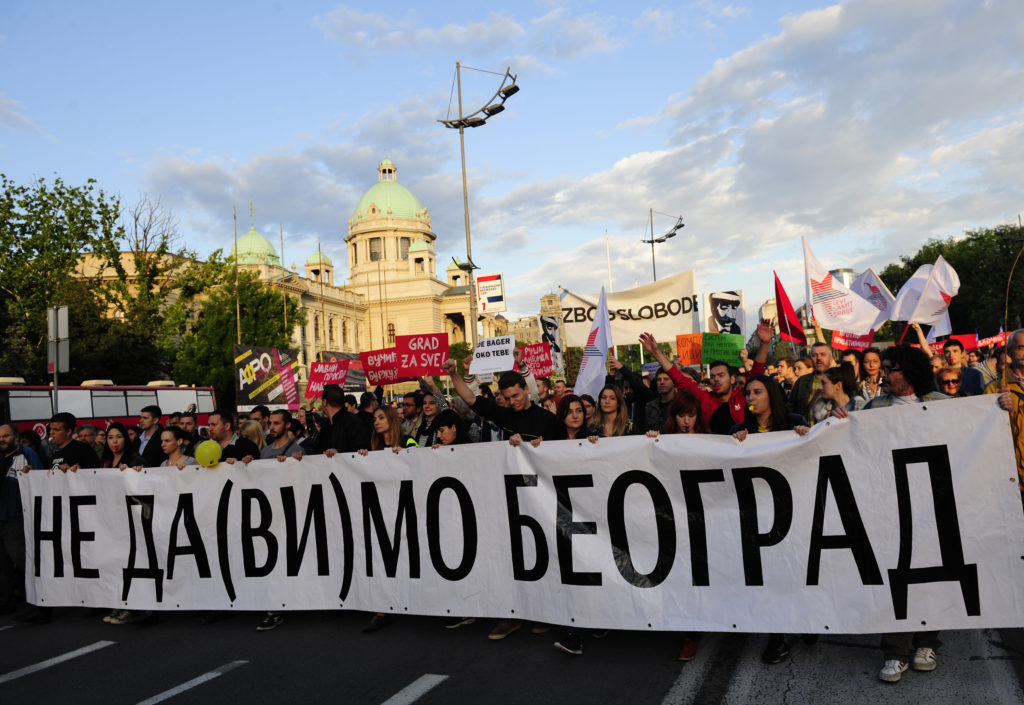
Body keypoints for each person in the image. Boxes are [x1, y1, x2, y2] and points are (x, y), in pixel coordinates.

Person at [839, 344, 948, 682]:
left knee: (932, 574)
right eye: (883, 367)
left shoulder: (945, 406)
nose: (882, 373)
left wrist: (1000, 406)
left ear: (910, 372)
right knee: (896, 575)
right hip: (892, 504)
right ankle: (896, 651)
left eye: (890, 368)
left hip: (933, 503)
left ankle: (928, 642)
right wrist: (841, 425)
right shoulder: (876, 406)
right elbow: (856, 444)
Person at [443, 356, 563, 641]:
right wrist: (454, 374)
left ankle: (545, 611)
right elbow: (471, 399)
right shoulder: (504, 414)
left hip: (543, 499)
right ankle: (512, 615)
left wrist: (540, 449)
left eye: (516, 395)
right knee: (513, 558)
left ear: (526, 389)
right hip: (511, 500)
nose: (512, 402)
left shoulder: (548, 421)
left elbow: (564, 457)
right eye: (507, 397)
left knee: (544, 557)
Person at [730, 375, 809, 664]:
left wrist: (805, 434)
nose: (751, 398)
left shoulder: (793, 421)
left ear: (771, 394)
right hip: (759, 513)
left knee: (796, 570)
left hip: (794, 507)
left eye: (757, 392)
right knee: (771, 574)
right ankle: (777, 637)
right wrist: (734, 445)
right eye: (748, 393)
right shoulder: (740, 429)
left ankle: (806, 621)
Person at [639, 319, 773, 435]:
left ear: (732, 379)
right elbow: (678, 378)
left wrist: (765, 344)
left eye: (721, 375)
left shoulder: (743, 397)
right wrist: (657, 353)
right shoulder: (704, 399)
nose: (716, 379)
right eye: (713, 376)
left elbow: (757, 374)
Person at [0, 425, 31, 614]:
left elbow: (39, 476)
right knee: (2, 566)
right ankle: (6, 601)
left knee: (22, 562)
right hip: (1, 517)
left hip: (16, 518)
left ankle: (36, 602)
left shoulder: (26, 453)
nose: (2, 439)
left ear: (16, 437)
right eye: (0, 436)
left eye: (6, 435)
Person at [788, 342, 835, 423]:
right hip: (807, 433)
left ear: (830, 359)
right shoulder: (801, 382)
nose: (818, 358)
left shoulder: (840, 381)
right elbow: (791, 409)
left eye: (822, 354)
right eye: (814, 355)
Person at [318, 384, 371, 455]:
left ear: (324, 402)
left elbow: (362, 451)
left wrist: (339, 453)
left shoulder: (352, 422)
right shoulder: (326, 427)